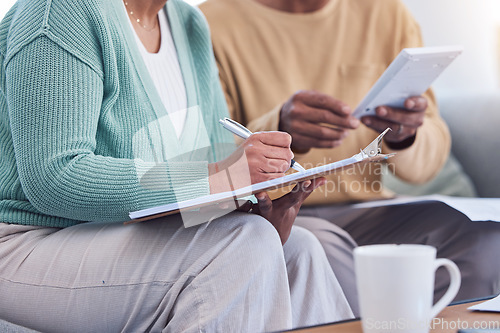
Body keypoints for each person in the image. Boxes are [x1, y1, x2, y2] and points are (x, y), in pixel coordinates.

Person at [0, 0, 354, 331]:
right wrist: (221, 175)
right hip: (26, 240)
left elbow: (199, 169)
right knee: (244, 244)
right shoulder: (61, 10)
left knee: (299, 249)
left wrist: (247, 206)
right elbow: (55, 177)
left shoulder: (188, 24)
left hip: (123, 231)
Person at [199, 0, 500, 315]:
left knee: (483, 239)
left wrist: (405, 135)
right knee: (317, 247)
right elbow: (212, 158)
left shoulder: (387, 14)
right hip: (282, 212)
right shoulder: (211, 22)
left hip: (372, 212)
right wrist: (279, 129)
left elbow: (426, 166)